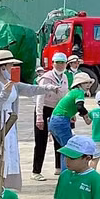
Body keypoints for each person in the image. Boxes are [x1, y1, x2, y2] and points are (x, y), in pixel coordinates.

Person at [0, 50, 58, 190]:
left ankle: (4, 188)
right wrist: (4, 92)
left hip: (8, 123)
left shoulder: (11, 82)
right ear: (2, 67)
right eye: (10, 65)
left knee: (8, 155)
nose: (12, 68)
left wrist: (48, 88)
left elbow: (30, 89)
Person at [33, 52, 69, 180]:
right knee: (41, 140)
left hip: (58, 110)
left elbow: (66, 96)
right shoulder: (46, 77)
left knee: (59, 139)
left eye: (62, 63)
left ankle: (59, 167)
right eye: (57, 62)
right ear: (52, 63)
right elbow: (39, 97)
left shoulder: (65, 77)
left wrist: (70, 113)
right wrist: (39, 116)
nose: (60, 65)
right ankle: (36, 171)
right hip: (44, 108)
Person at [48, 72, 94, 161]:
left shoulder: (72, 92)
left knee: (65, 148)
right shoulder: (79, 92)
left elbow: (69, 106)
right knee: (69, 149)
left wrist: (72, 115)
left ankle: (64, 171)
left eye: (89, 83)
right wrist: (86, 117)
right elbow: (80, 106)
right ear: (79, 84)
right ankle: (68, 172)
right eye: (85, 83)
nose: (88, 85)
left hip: (54, 120)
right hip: (62, 120)